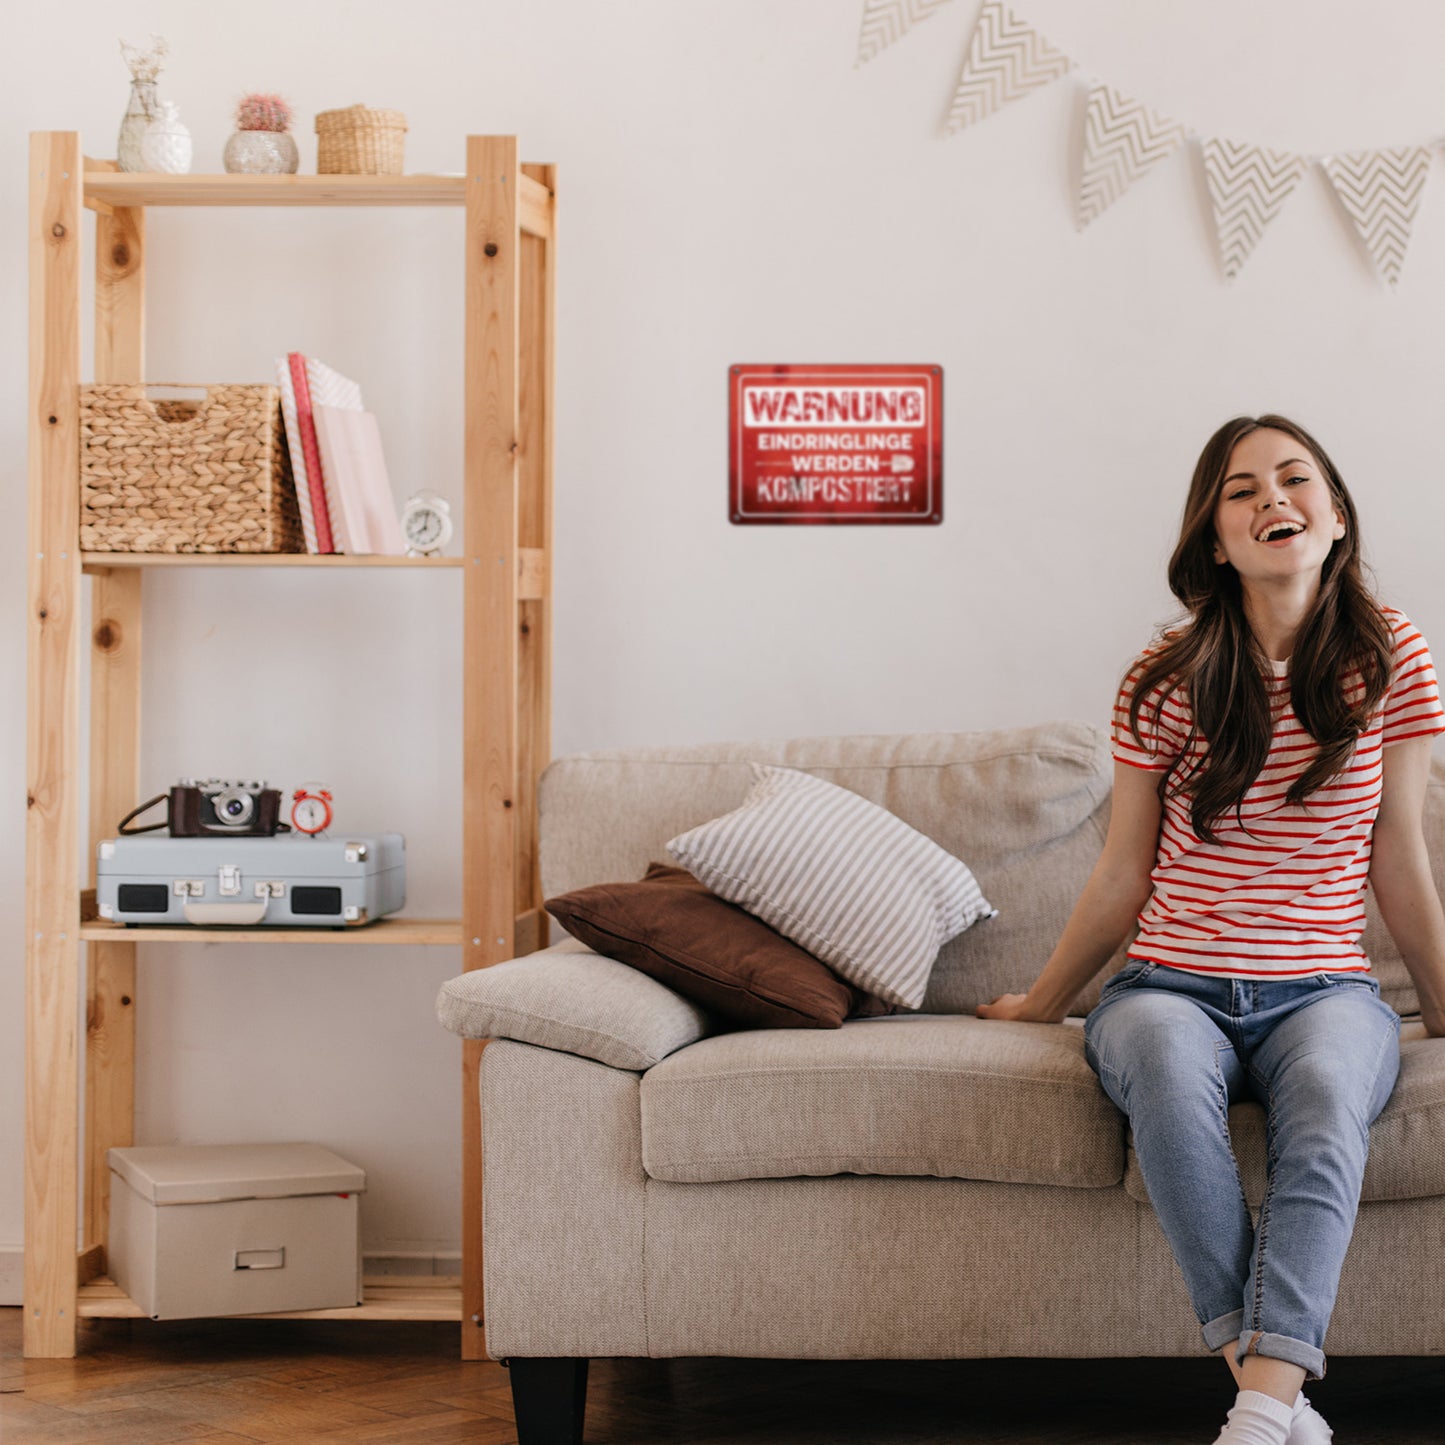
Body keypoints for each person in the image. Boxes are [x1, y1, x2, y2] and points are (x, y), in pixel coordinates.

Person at [976, 414, 1445, 1445]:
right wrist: (1043, 1003)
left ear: (1332, 519)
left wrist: (1444, 1009)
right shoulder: (1164, 671)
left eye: (1293, 478)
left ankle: (1257, 1408)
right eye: (1240, 489)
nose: (1270, 497)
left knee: (1326, 1096)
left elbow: (1396, 852)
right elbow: (1122, 870)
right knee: (1156, 1068)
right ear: (1214, 538)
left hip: (1323, 990)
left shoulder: (1391, 654)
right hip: (1165, 984)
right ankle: (1273, 1397)